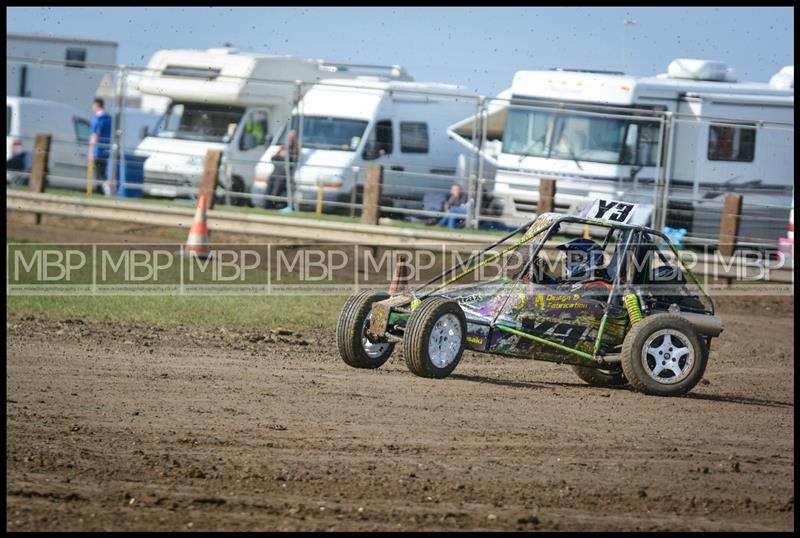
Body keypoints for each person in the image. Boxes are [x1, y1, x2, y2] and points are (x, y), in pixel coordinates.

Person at [265, 129, 298, 210]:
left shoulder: (295, 149)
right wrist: (281, 155)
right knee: (269, 184)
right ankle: (266, 204)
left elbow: (294, 160)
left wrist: (286, 155)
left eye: (292, 137)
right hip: (276, 171)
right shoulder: (282, 147)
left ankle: (273, 205)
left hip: (284, 173)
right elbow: (273, 158)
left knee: (277, 186)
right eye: (289, 137)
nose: (290, 139)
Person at [88, 97, 113, 195]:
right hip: (106, 149)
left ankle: (102, 191)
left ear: (97, 105)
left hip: (98, 149)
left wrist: (91, 151)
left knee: (99, 173)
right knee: (103, 171)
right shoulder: (109, 118)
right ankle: (105, 190)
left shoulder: (97, 119)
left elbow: (94, 136)